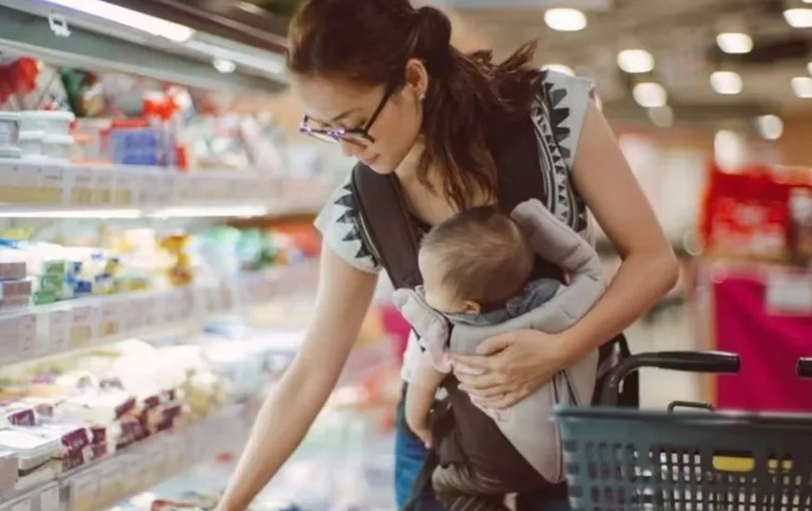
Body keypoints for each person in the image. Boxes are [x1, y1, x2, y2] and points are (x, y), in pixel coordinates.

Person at [214, 1, 678, 510]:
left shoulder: (551, 111)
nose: (347, 149)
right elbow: (310, 374)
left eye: (352, 124)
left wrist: (559, 348)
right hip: (449, 439)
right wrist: (230, 504)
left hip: (580, 419)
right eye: (324, 128)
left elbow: (655, 262)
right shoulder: (362, 206)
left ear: (413, 79)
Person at [404, 205, 566, 511]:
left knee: (448, 486)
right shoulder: (549, 304)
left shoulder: (449, 337)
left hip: (490, 468)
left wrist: (421, 428)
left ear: (469, 307)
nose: (423, 291)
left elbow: (421, 388)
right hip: (557, 459)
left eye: (430, 287)